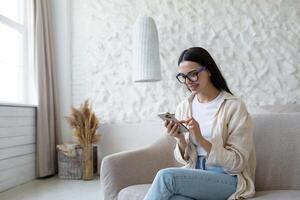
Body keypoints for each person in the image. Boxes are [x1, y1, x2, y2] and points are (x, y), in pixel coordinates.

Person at [143, 47, 256, 200]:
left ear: (209, 70)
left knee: (166, 176)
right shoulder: (184, 106)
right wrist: (180, 139)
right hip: (195, 173)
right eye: (183, 76)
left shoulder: (234, 106)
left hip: (227, 178)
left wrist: (201, 140)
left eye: (193, 74)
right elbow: (185, 159)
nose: (188, 81)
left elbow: (238, 163)